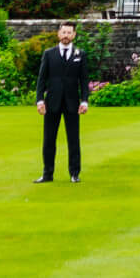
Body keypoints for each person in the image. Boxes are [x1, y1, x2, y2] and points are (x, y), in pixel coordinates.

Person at [34, 22, 92, 183]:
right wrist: (39, 100)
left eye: (69, 32)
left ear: (74, 35)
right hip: (52, 102)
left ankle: (74, 173)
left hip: (72, 103)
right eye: (63, 32)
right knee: (48, 140)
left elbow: (84, 80)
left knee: (73, 139)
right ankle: (47, 174)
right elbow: (41, 79)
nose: (66, 35)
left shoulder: (81, 54)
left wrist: (85, 101)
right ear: (59, 34)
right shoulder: (49, 54)